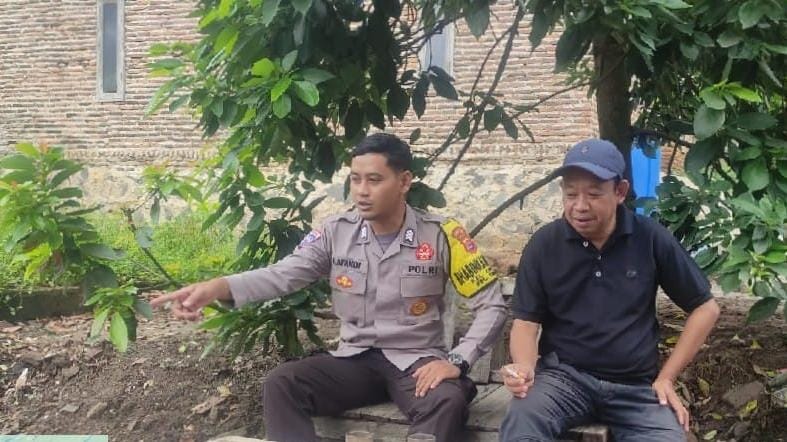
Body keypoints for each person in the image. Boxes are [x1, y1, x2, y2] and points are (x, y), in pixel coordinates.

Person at [151, 133, 507, 442]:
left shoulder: (443, 235)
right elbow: (284, 274)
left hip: (415, 361)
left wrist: (457, 360)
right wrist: (216, 287)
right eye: (355, 179)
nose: (362, 191)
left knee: (446, 399)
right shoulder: (336, 232)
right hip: (354, 360)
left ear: (404, 181)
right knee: (283, 383)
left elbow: (491, 305)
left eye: (374, 180)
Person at [499, 138, 720, 442]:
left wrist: (667, 378)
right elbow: (525, 322)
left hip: (635, 389)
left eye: (593, 194)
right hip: (563, 381)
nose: (580, 206)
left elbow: (706, 308)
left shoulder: (650, 238)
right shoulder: (544, 244)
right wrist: (524, 369)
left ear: (620, 192)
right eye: (571, 194)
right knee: (522, 422)